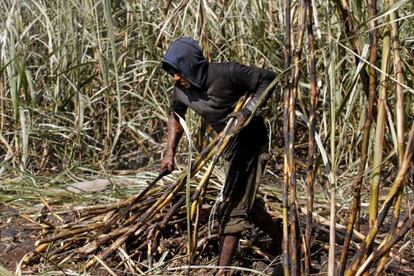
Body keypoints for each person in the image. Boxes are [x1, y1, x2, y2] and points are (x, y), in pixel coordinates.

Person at [160, 37, 281, 273]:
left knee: (232, 206)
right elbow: (176, 116)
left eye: (178, 70)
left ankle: (221, 270)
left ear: (191, 65)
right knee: (249, 206)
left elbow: (270, 78)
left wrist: (247, 111)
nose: (175, 77)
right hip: (230, 148)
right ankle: (286, 242)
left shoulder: (226, 73)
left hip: (252, 143)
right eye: (172, 72)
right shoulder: (181, 91)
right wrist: (169, 154)